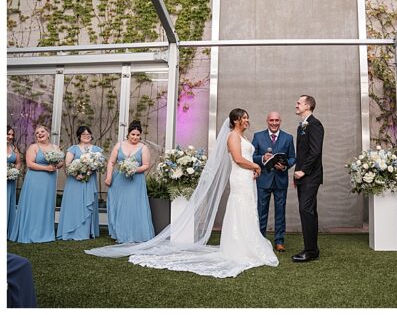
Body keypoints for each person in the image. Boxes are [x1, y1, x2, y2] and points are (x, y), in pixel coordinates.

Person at [86, 109, 279, 278]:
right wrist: (256, 165)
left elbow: (245, 157)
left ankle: (248, 242)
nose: (247, 120)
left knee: (247, 208)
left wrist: (254, 167)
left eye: (247, 118)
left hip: (246, 177)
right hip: (239, 176)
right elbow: (237, 159)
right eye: (244, 118)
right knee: (240, 207)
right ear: (236, 120)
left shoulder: (244, 137)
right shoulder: (233, 137)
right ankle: (239, 247)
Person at [251, 111, 296, 252]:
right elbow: (252, 156)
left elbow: (293, 158)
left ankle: (279, 241)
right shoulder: (258, 136)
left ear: (280, 121)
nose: (274, 123)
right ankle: (260, 240)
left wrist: (285, 165)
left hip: (280, 181)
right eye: (272, 120)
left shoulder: (288, 138)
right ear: (267, 121)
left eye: (277, 120)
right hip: (263, 180)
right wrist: (262, 158)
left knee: (280, 212)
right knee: (261, 212)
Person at [103, 120, 154, 243]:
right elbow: (111, 162)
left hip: (135, 181)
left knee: (133, 206)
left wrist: (134, 169)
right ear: (128, 134)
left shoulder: (143, 148)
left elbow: (146, 165)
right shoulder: (119, 145)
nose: (135, 137)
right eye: (133, 134)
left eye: (137, 135)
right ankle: (120, 233)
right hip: (119, 180)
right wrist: (109, 177)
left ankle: (135, 234)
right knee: (119, 206)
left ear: (140, 135)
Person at [10, 125, 61, 243]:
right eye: (37, 133)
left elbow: (61, 162)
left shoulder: (55, 147)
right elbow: (30, 164)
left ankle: (44, 233)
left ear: (48, 133)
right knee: (34, 204)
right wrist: (47, 168)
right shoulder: (33, 147)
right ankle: (30, 232)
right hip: (35, 180)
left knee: (46, 205)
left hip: (49, 181)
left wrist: (56, 166)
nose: (40, 134)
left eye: (42, 131)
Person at [292, 95, 325, 263]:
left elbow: (315, 152)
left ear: (308, 106)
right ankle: (311, 249)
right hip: (302, 177)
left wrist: (303, 171)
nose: (296, 105)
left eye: (299, 103)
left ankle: (311, 251)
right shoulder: (302, 126)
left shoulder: (315, 124)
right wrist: (296, 174)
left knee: (307, 211)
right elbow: (302, 154)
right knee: (307, 212)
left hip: (311, 176)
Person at [57, 126, 103, 240]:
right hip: (75, 181)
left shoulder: (97, 150)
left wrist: (92, 169)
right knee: (74, 205)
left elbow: (100, 164)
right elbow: (67, 165)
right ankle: (71, 231)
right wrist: (76, 175)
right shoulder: (73, 149)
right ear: (79, 136)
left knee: (88, 205)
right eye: (83, 134)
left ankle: (86, 232)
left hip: (89, 180)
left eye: (88, 134)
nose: (86, 136)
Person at [7, 126, 22, 235]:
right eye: (8, 134)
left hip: (9, 181)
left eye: (12, 134)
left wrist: (14, 172)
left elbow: (18, 162)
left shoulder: (14, 148)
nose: (10, 136)